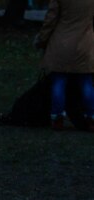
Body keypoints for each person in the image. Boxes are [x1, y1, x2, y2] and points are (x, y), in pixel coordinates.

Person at [34, 0, 94, 131]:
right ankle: (91, 117)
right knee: (86, 82)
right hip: (85, 43)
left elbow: (51, 19)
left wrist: (41, 39)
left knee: (59, 81)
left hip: (61, 43)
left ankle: (57, 117)